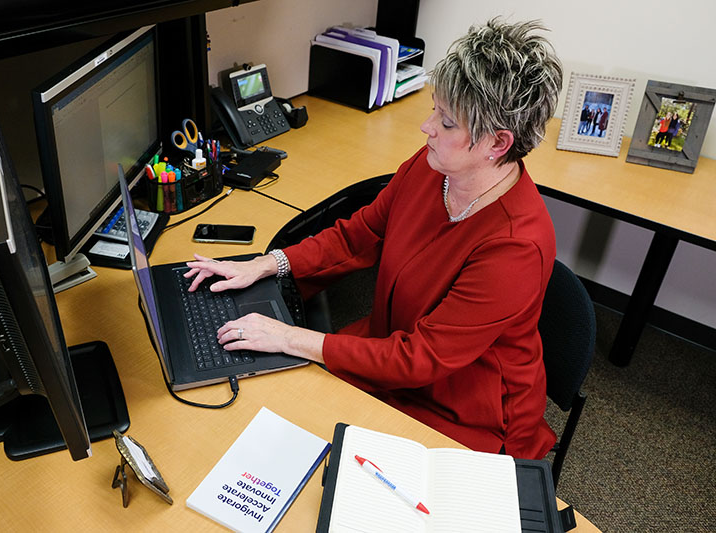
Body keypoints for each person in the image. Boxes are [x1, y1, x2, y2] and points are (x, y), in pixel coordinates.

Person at [185, 18, 563, 460]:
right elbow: (358, 236)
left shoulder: (517, 247)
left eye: (445, 121)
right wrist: (268, 263)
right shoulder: (432, 166)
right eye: (434, 110)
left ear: (497, 143)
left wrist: (290, 337)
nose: (427, 128)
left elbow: (422, 359)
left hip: (460, 405)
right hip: (389, 348)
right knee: (279, 420)